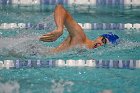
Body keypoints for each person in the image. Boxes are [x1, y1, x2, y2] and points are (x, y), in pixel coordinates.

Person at [39, 4, 119, 52]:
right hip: (37, 53)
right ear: (99, 37)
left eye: (105, 45)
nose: (101, 44)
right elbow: (60, 8)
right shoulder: (80, 38)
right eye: (103, 40)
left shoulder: (87, 52)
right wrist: (60, 29)